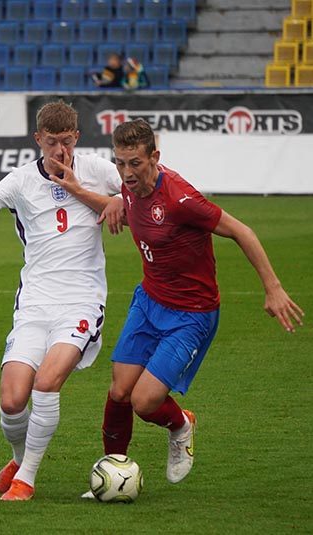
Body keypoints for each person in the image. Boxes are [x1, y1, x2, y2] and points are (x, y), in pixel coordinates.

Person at [74, 119, 304, 496]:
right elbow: (123, 196)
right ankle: (113, 473)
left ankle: (181, 425)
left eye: (135, 163)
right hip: (149, 302)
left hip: (191, 315)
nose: (127, 173)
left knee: (144, 402)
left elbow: (241, 230)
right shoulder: (128, 186)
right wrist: (114, 201)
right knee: (119, 392)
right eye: (120, 163)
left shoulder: (181, 199)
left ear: (155, 157)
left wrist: (273, 288)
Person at [0, 101, 123, 501]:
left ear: (77, 138)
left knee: (47, 382)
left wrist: (107, 196)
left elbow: (139, 195)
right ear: (38, 139)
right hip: (35, 303)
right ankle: (19, 458)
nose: (60, 151)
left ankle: (27, 479)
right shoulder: (20, 181)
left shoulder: (100, 171)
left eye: (66, 142)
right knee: (12, 400)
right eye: (51, 142)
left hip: (81, 302)